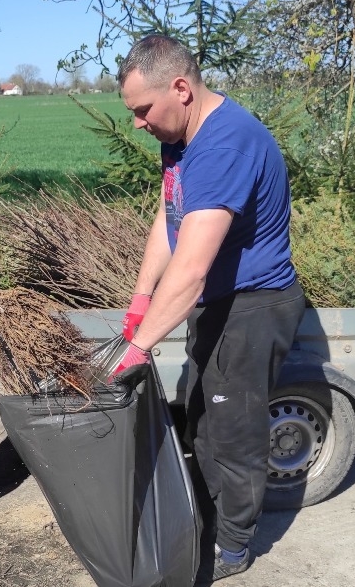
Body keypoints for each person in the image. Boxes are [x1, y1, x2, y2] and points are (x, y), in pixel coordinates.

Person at [111, 35, 306, 583]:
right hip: (219, 303)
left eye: (142, 110)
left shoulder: (224, 145)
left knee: (233, 430)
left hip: (253, 307)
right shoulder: (180, 138)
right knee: (201, 417)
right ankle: (211, 513)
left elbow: (193, 266)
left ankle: (235, 546)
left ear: (181, 89)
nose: (138, 123)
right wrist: (142, 297)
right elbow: (169, 218)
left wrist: (139, 346)